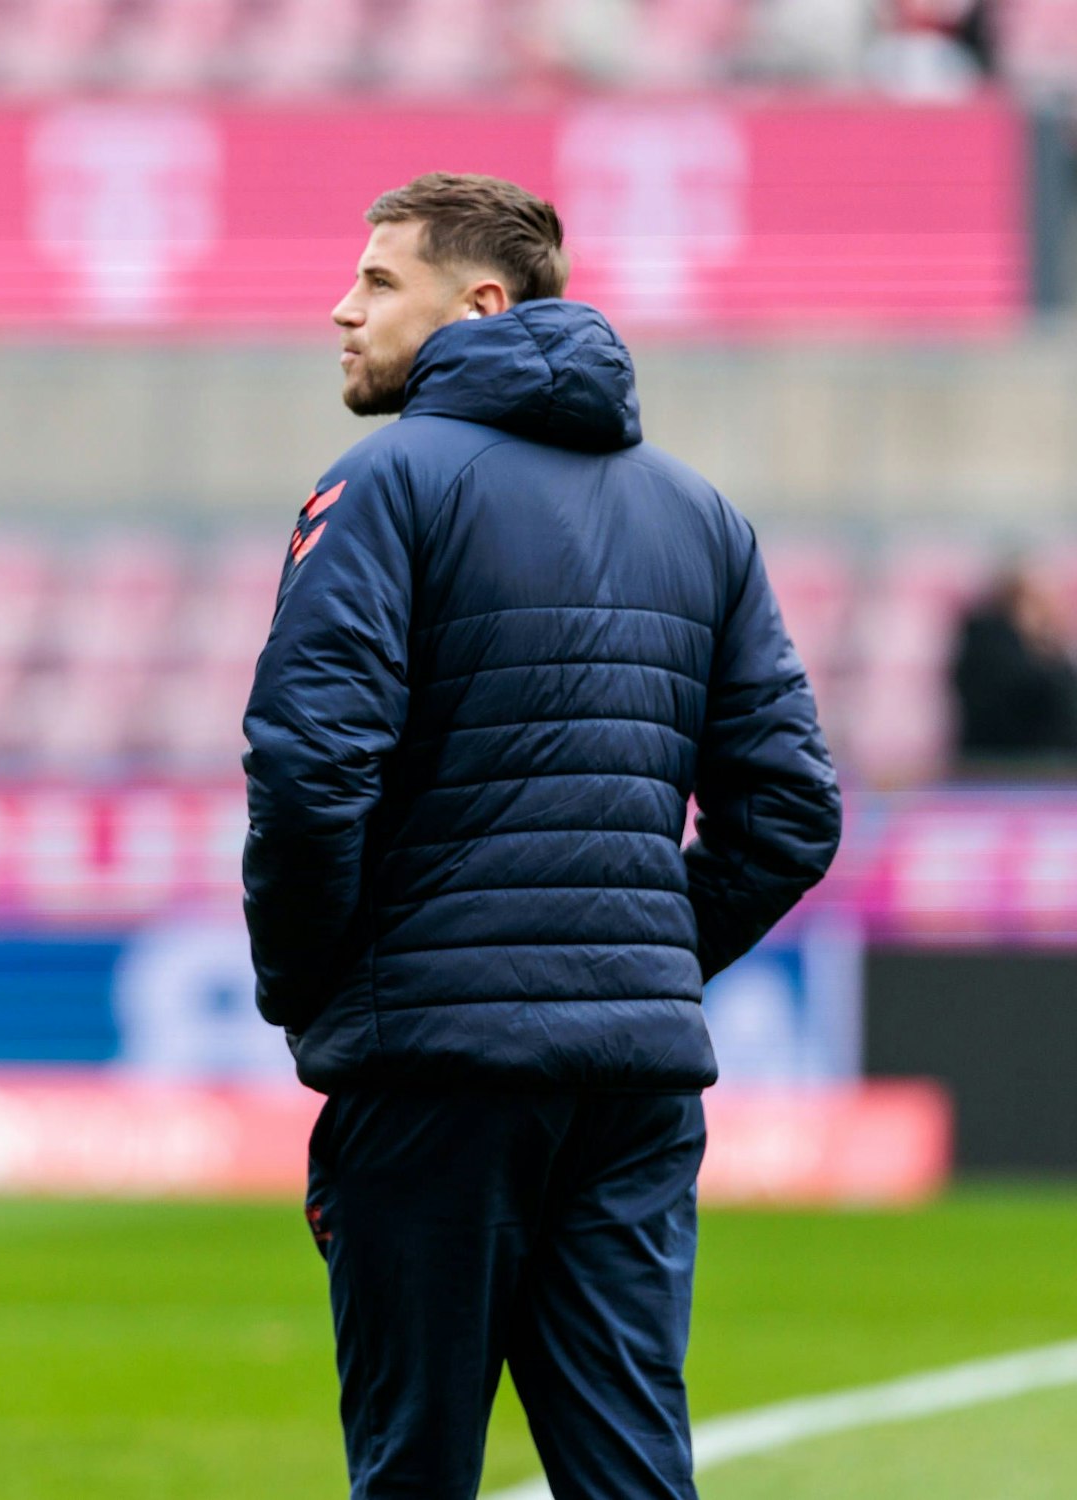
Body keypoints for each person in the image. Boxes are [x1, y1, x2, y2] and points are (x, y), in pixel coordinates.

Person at [241, 173, 840, 1499]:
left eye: (381, 281)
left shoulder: (383, 482)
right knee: (632, 1467)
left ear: (483, 303)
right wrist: (631, 955)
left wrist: (313, 983)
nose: (341, 308)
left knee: (415, 1468)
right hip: (633, 1078)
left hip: (437, 1066)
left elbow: (306, 764)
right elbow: (793, 814)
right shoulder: (701, 512)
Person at [950, 566, 1077, 767]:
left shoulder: (1035, 646)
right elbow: (1029, 694)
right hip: (1000, 768)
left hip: (1038, 769)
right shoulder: (988, 641)